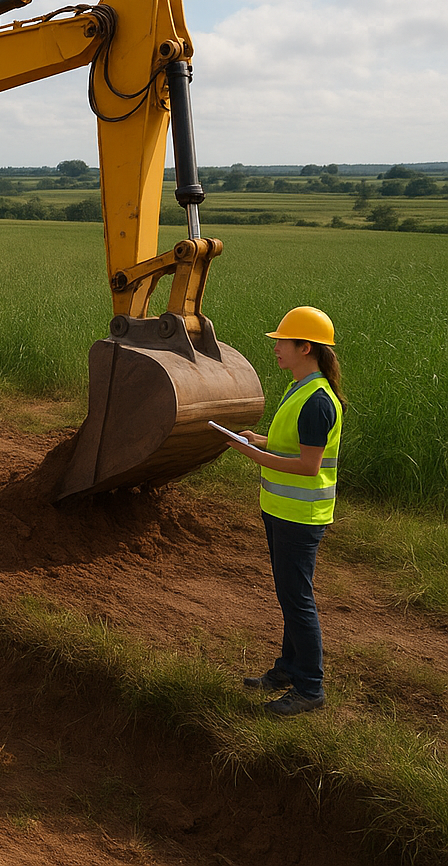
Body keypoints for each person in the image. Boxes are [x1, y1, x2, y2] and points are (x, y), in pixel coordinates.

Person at [222, 306, 344, 717]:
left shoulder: (317, 401)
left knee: (297, 601)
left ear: (305, 347)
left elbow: (308, 466)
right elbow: (293, 445)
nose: (275, 348)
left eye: (282, 342)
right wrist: (259, 440)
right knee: (289, 596)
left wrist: (253, 455)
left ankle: (310, 688)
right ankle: (288, 669)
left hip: (299, 518)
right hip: (280, 510)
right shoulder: (300, 388)